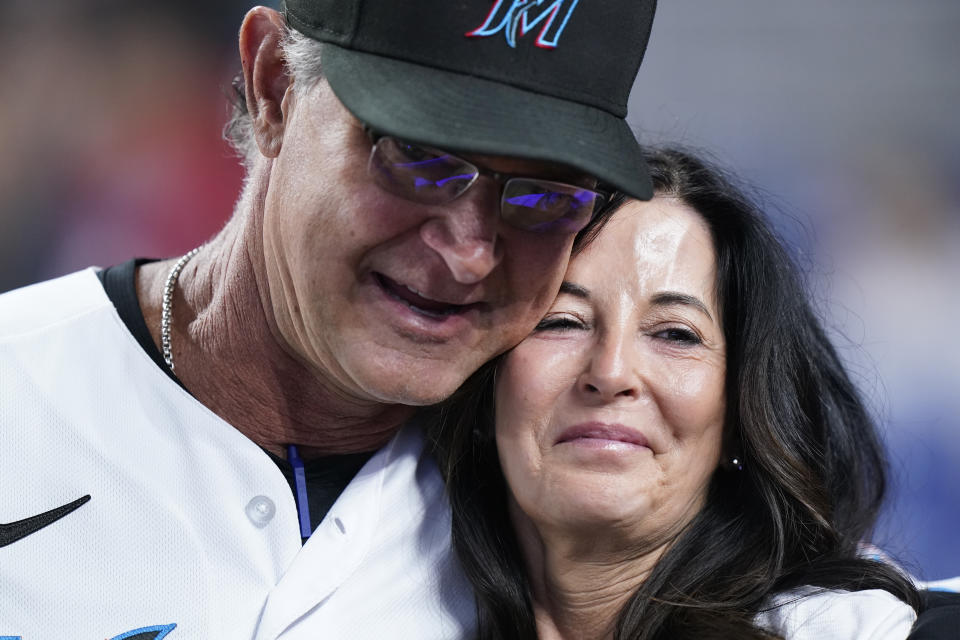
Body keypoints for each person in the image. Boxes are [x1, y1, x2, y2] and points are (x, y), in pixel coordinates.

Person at [0, 1, 658, 638]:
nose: (469, 253)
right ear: (274, 86)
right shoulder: (19, 380)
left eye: (547, 197)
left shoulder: (594, 506)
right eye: (419, 158)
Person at [429, 147, 926, 639]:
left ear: (737, 419)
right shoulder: (379, 597)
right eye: (562, 321)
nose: (611, 370)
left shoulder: (856, 631)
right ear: (486, 386)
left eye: (675, 334)